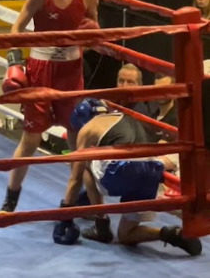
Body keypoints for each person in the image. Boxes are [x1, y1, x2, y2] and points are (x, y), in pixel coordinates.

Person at [0, 0, 99, 212]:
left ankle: (79, 200)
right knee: (31, 139)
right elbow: (17, 27)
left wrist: (85, 42)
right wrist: (14, 61)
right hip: (41, 70)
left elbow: (95, 32)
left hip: (71, 71)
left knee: (76, 138)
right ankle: (11, 200)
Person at [53, 98, 201, 256]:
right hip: (150, 171)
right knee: (126, 235)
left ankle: (101, 224)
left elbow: (75, 179)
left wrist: (65, 214)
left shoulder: (87, 129)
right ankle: (170, 234)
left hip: (122, 171)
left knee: (84, 165)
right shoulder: (124, 116)